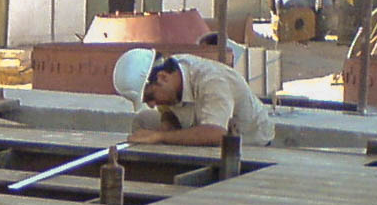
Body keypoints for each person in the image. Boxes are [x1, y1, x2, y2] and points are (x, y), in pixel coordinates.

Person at [111, 48, 274, 146]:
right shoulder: (171, 75)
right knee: (143, 120)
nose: (153, 104)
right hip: (202, 125)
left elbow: (216, 134)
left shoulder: (212, 80)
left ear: (163, 78)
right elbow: (166, 110)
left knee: (157, 135)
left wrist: (161, 136)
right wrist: (167, 123)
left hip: (247, 143)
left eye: (151, 97)